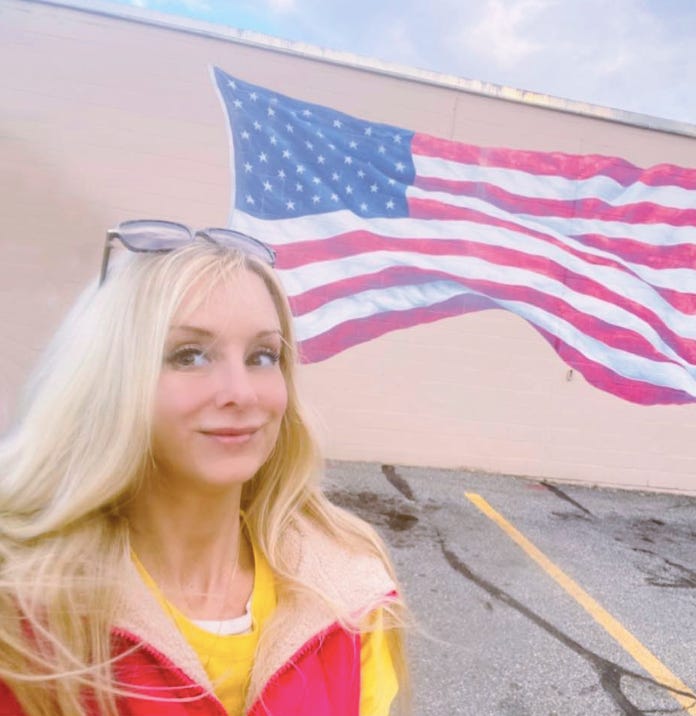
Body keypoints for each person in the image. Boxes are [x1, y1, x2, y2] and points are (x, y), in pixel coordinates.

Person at [0, 221, 408, 716]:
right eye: (189, 355)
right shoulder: (25, 618)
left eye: (262, 356)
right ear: (111, 380)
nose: (241, 392)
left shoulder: (348, 590)